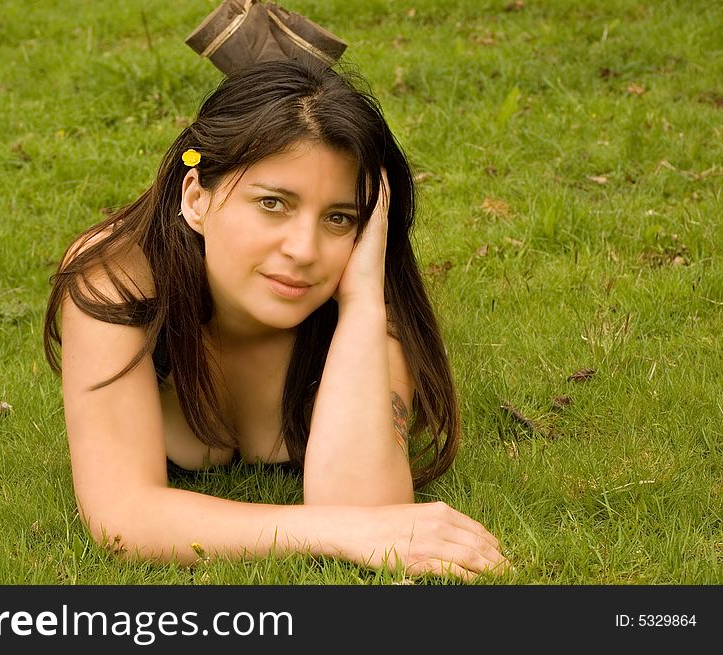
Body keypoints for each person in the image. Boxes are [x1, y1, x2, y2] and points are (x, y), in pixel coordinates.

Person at [42, 59, 510, 580]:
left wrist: (360, 306)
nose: (304, 250)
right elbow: (123, 515)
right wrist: (327, 532)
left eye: (339, 217)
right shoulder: (120, 279)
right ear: (196, 199)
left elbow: (372, 512)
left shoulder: (361, 300)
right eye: (272, 203)